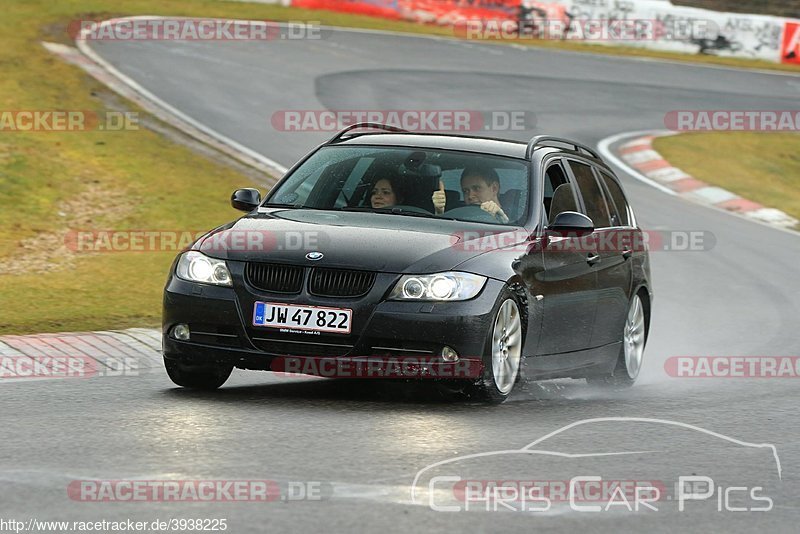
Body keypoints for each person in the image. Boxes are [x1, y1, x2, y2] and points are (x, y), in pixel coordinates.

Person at [432, 164, 509, 223]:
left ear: (494, 188)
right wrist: (439, 214)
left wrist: (502, 220)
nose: (470, 196)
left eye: (477, 188)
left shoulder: (517, 217)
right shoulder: (458, 216)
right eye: (465, 191)